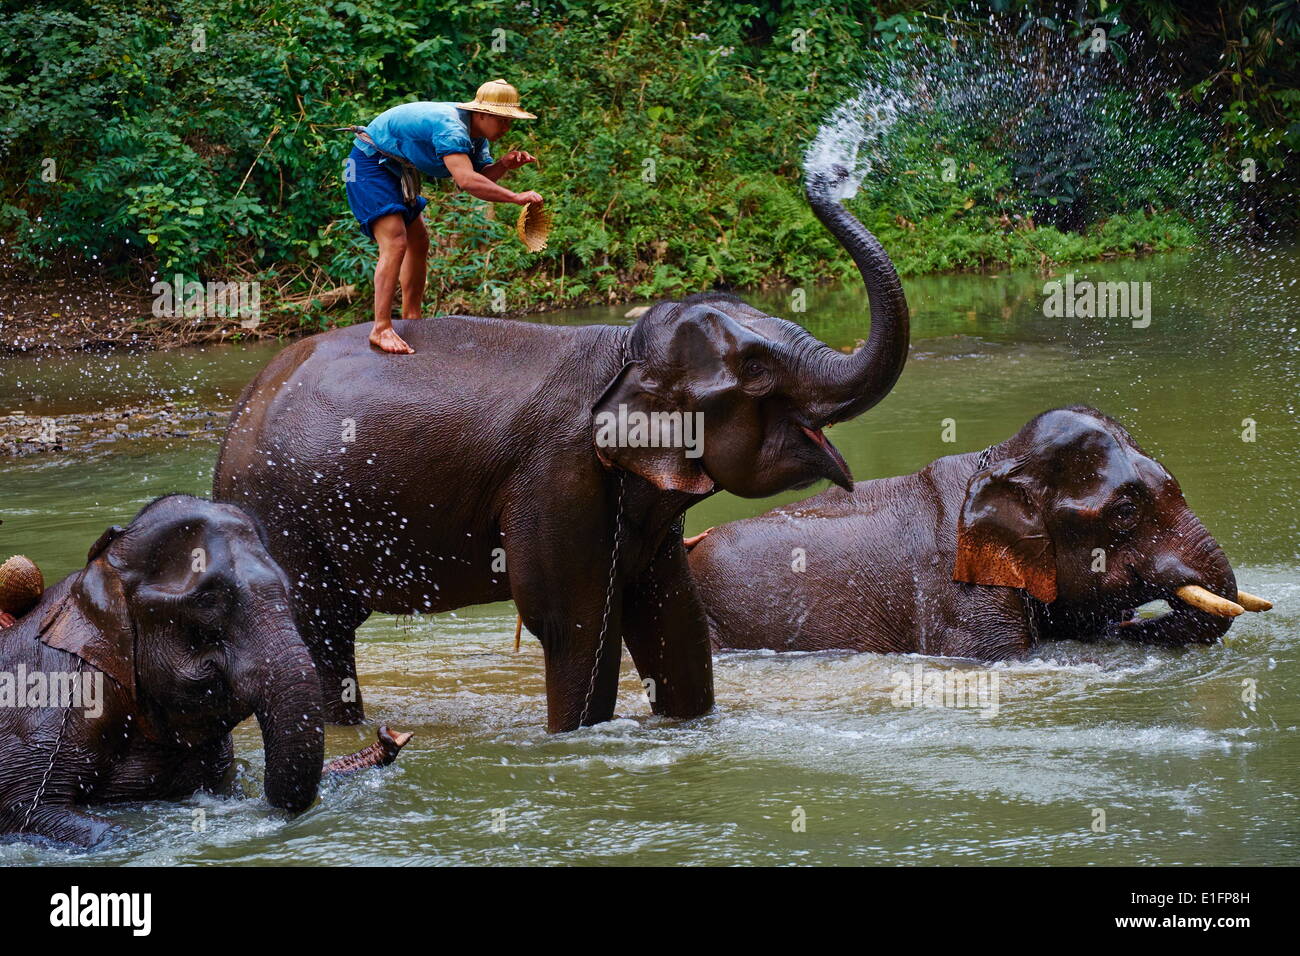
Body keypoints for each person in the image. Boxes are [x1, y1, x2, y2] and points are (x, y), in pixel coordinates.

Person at [343, 79, 543, 354]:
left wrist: (504, 164)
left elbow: (476, 179)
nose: (507, 128)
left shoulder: (476, 138)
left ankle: (413, 318)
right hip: (368, 163)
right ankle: (381, 328)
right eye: (502, 121)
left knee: (419, 241)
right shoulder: (451, 126)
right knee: (396, 241)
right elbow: (466, 180)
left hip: (398, 169)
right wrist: (515, 197)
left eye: (510, 122)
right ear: (481, 114)